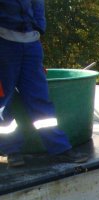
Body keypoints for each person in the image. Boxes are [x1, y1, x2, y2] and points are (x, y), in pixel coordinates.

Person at [0, 0, 88, 168]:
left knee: (40, 99)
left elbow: (38, 4)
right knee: (2, 103)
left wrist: (39, 27)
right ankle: (9, 150)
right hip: (3, 45)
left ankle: (59, 148)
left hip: (31, 45)